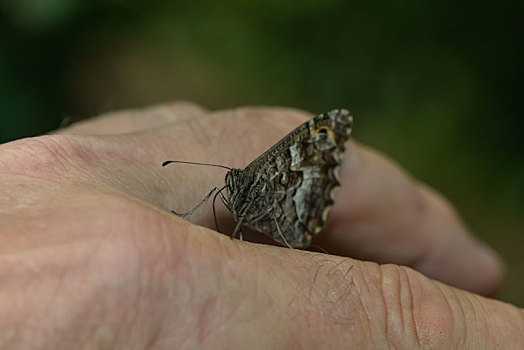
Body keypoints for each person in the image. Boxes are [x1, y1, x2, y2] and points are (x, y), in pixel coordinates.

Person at [0, 102, 521, 349]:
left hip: (294, 209)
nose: (228, 187)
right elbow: (218, 193)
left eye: (231, 183)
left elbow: (323, 133)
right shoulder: (230, 188)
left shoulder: (262, 178)